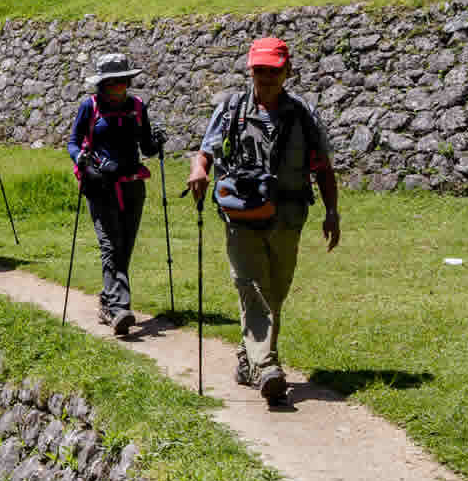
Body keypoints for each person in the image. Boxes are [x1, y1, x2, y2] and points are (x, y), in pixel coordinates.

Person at [187, 37, 340, 408]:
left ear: (287, 72)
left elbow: (322, 166)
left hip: (288, 217)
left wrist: (332, 211)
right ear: (250, 71)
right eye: (259, 70)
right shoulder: (232, 108)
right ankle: (268, 366)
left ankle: (248, 359)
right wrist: (198, 170)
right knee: (251, 285)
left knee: (275, 292)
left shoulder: (302, 113)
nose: (266, 77)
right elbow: (206, 150)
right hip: (241, 215)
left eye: (273, 71)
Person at [66, 54, 165, 338]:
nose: (118, 88)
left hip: (133, 184)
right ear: (102, 84)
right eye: (111, 84)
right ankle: (120, 308)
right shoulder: (90, 106)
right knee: (111, 244)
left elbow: (146, 146)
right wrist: (81, 160)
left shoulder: (136, 107)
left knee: (125, 246)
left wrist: (156, 143)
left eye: (122, 82)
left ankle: (108, 301)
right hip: (100, 183)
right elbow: (73, 143)